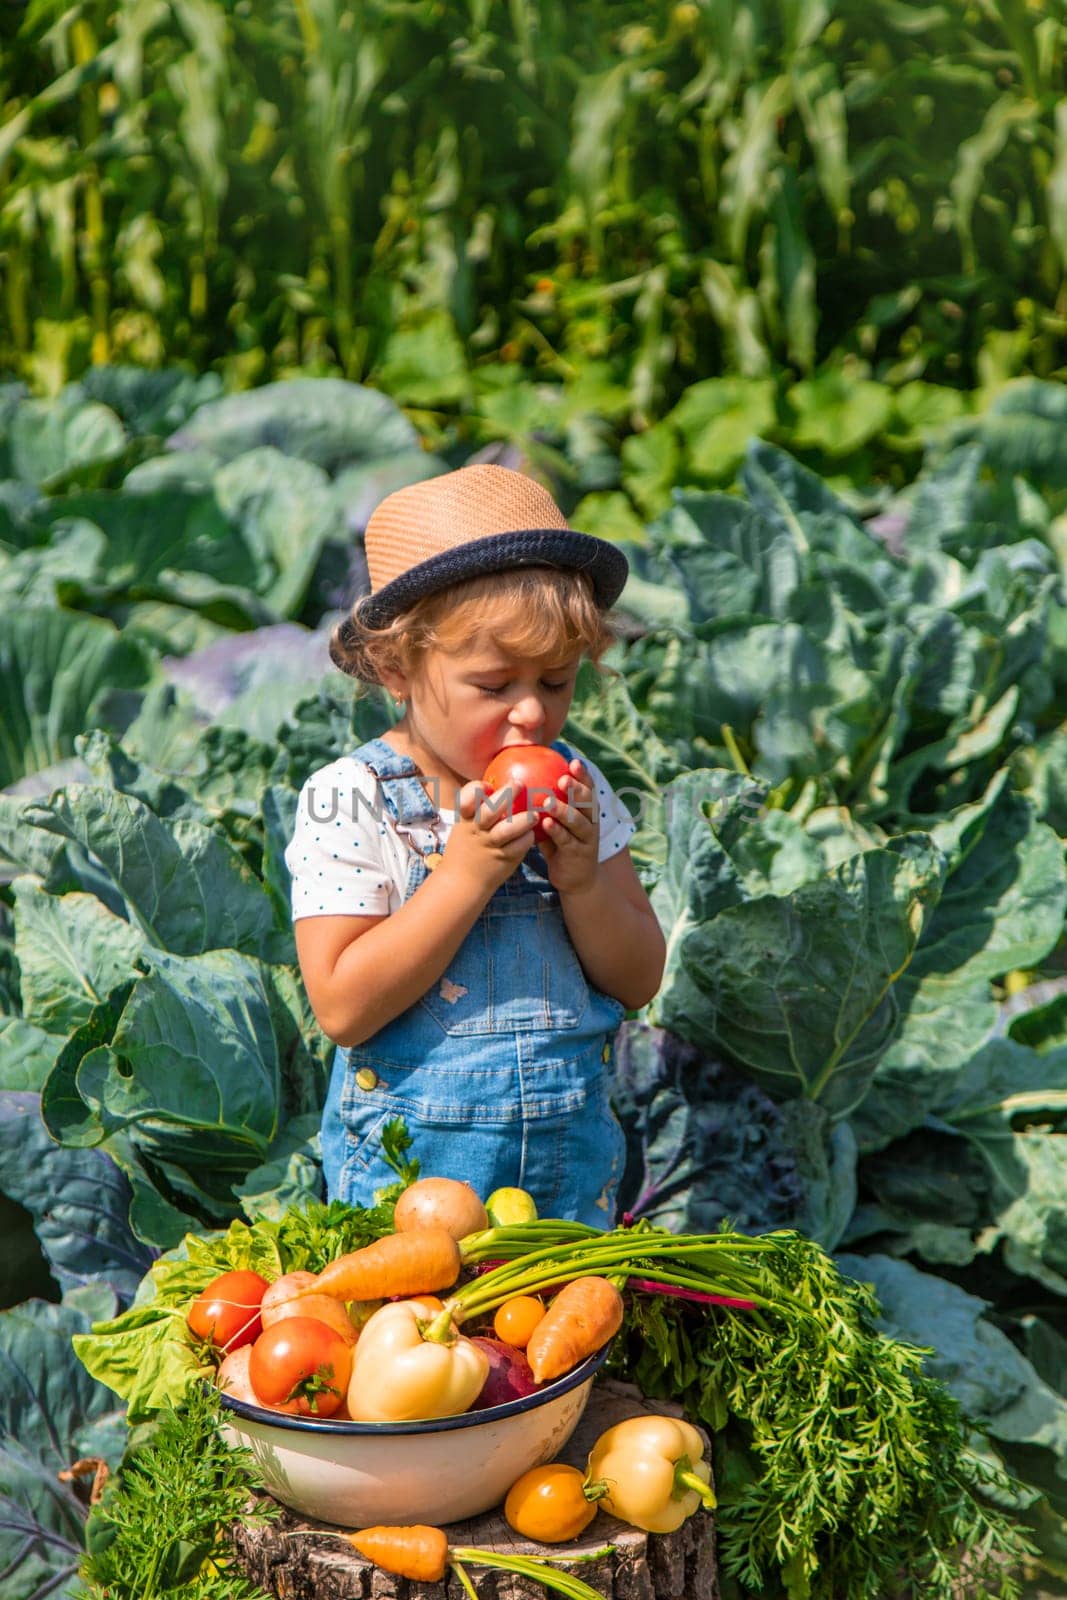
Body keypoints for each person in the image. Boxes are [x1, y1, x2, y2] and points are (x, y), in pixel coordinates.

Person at [284, 463, 666, 1226]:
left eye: (555, 683)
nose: (530, 713)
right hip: (407, 1192)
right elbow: (341, 1007)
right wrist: (462, 878)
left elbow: (638, 979)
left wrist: (583, 884)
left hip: (569, 1185)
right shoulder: (349, 799)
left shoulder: (577, 783)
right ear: (397, 667)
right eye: (494, 686)